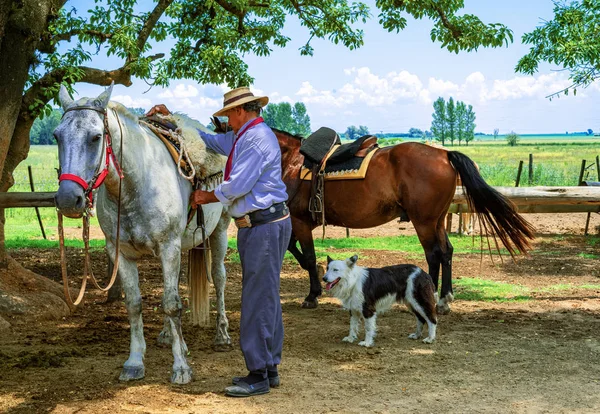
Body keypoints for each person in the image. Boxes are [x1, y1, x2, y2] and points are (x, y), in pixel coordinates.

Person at [147, 87, 292, 397]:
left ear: (241, 111)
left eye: (229, 114)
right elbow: (208, 140)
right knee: (266, 296)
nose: (227, 119)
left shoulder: (254, 140)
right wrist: (171, 119)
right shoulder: (244, 135)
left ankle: (258, 375)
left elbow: (237, 185)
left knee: (257, 299)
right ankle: (269, 368)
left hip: (263, 226)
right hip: (265, 223)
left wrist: (206, 196)